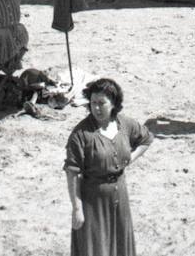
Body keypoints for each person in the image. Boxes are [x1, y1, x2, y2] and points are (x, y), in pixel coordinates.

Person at [64, 78, 153, 253]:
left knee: (120, 246)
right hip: (93, 202)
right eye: (93, 103)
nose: (96, 108)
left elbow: (146, 139)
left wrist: (130, 159)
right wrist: (77, 209)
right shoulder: (80, 134)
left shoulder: (124, 124)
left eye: (101, 103)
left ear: (113, 103)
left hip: (120, 197)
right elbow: (72, 173)